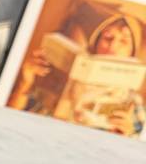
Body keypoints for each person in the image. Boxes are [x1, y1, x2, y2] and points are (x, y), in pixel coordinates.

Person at [9, 14, 145, 136]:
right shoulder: (59, 77)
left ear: (132, 53)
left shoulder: (132, 103)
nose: (113, 45)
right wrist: (25, 81)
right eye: (108, 37)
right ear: (96, 43)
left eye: (124, 41)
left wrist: (126, 135)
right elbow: (11, 118)